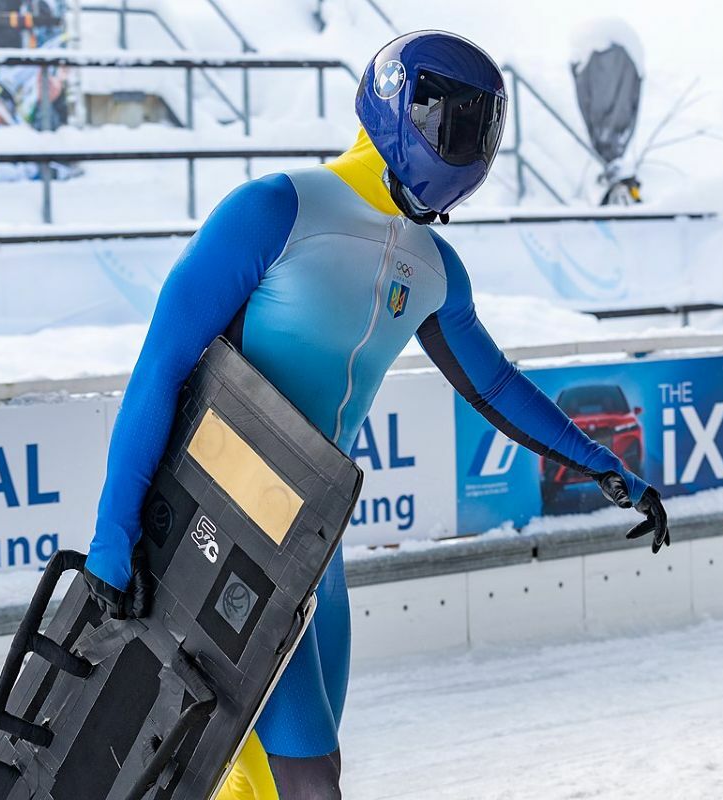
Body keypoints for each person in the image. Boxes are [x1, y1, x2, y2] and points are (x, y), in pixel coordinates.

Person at [83, 30, 671, 800]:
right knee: (310, 777)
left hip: (314, 550)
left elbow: (494, 384)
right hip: (230, 534)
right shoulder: (276, 211)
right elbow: (160, 368)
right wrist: (112, 537)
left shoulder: (435, 269)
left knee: (260, 773)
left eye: (483, 131)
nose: (471, 150)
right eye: (454, 125)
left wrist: (606, 466)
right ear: (402, 106)